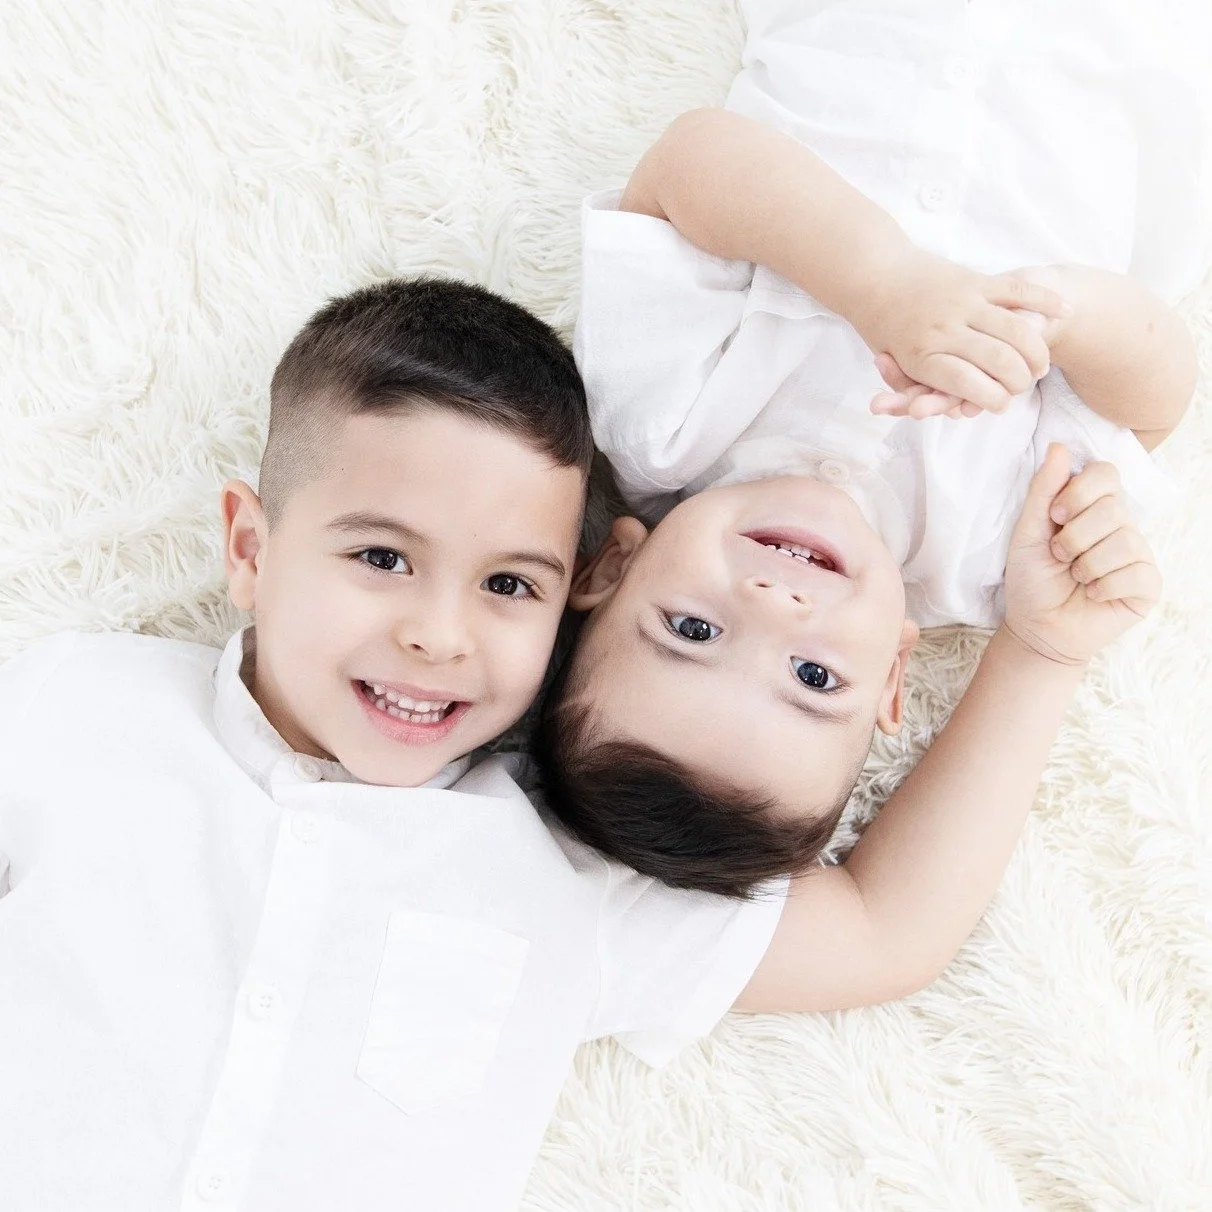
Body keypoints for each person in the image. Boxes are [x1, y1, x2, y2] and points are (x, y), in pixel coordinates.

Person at [0, 277, 789, 1211]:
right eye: (382, 559)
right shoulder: (79, 699)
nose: (439, 634)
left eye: (509, 585)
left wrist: (1018, 648)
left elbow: (882, 930)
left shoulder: (562, 875)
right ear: (251, 550)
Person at [536, 0, 1207, 896]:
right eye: (814, 676)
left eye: (693, 630)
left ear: (612, 572)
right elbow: (1155, 397)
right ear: (894, 669)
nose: (777, 606)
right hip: (1132, 58)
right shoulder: (990, 556)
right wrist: (1056, 315)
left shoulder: (656, 425)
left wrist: (883, 283)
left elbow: (690, 161)